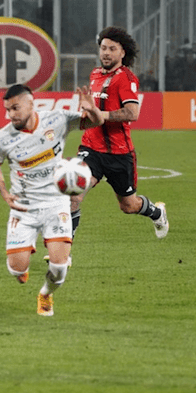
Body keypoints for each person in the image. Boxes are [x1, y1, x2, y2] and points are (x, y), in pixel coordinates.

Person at [0, 84, 104, 316]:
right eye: (8, 110)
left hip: (56, 203)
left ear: (31, 103)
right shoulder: (1, 139)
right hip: (24, 208)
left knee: (59, 268)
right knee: (16, 272)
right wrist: (4, 194)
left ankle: (46, 294)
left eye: (15, 108)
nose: (11, 114)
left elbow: (96, 122)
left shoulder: (57, 119)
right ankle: (21, 267)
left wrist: (93, 109)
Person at [69, 26, 169, 248]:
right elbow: (92, 110)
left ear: (122, 53)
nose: (106, 52)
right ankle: (63, 253)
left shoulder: (126, 78)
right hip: (91, 149)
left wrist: (100, 115)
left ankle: (156, 212)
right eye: (103, 48)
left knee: (128, 205)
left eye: (112, 49)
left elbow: (132, 113)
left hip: (119, 154)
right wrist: (84, 112)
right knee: (73, 196)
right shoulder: (95, 74)